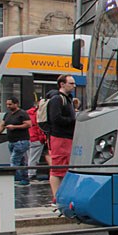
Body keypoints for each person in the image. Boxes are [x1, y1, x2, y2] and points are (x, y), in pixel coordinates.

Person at [48, 74, 78, 203]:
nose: (74, 86)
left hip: (66, 137)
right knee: (57, 168)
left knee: (64, 167)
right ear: (62, 84)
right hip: (59, 137)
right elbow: (55, 118)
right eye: (71, 83)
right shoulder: (57, 99)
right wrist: (73, 120)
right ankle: (56, 197)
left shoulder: (68, 99)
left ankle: (60, 195)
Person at [0, 96, 32, 186]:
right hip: (12, 141)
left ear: (16, 104)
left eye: (10, 104)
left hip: (21, 141)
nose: (8, 106)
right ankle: (24, 178)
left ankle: (10, 178)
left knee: (14, 160)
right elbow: (2, 125)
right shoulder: (7, 114)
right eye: (7, 104)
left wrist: (14, 127)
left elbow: (28, 124)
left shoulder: (22, 113)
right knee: (21, 161)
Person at [26, 104, 48, 181]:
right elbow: (40, 127)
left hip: (28, 137)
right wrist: (43, 138)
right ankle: (31, 174)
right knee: (34, 158)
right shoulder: (39, 114)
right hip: (36, 138)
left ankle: (29, 173)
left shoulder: (28, 113)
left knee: (30, 157)